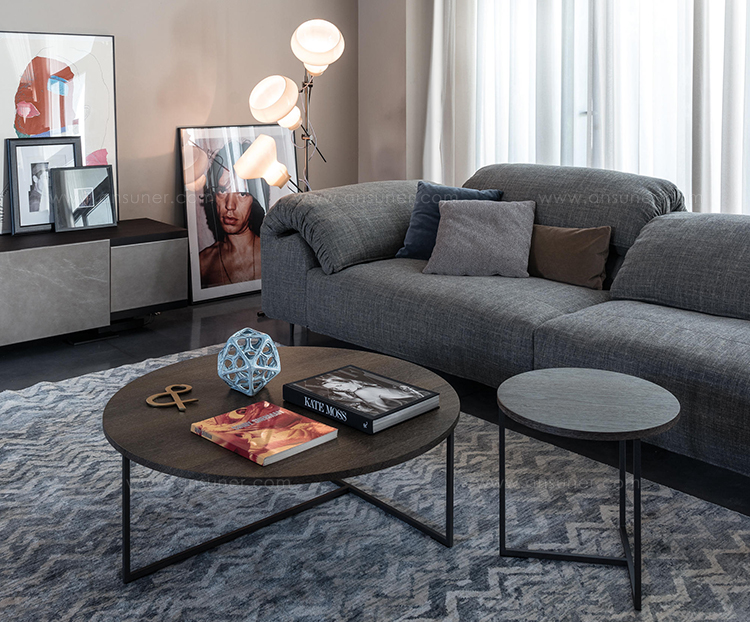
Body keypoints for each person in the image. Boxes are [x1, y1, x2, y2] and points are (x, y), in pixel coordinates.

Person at [198, 143, 268, 288]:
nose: (230, 205)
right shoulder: (203, 263)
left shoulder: (276, 254)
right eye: (223, 191)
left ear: (255, 200)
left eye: (242, 193)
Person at [318, 372, 426, 415]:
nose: (339, 389)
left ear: (346, 381)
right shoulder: (366, 386)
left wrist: (366, 410)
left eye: (338, 385)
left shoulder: (362, 391)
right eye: (334, 388)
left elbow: (384, 411)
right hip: (416, 398)